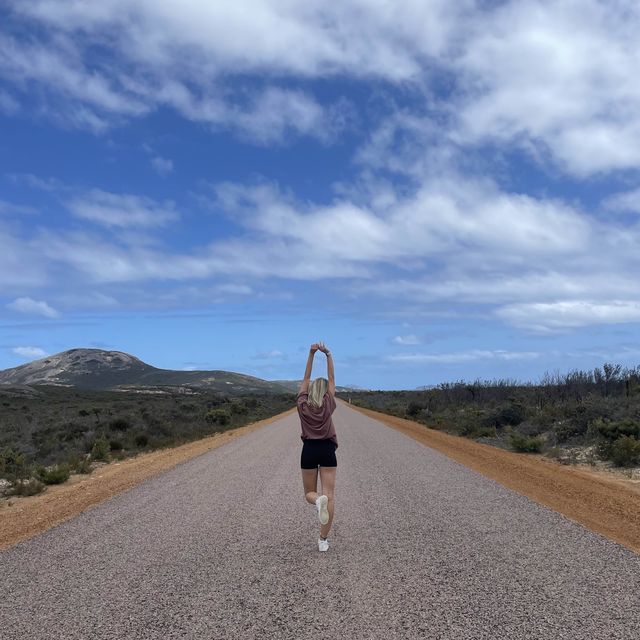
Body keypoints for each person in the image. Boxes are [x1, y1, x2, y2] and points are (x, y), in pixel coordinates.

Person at [296, 341, 337, 552]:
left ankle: (317, 501)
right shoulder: (329, 403)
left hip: (309, 450)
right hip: (328, 450)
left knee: (309, 494)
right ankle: (323, 540)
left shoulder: (302, 404)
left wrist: (311, 354)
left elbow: (305, 378)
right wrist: (327, 354)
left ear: (311, 389)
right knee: (329, 495)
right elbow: (331, 378)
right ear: (325, 393)